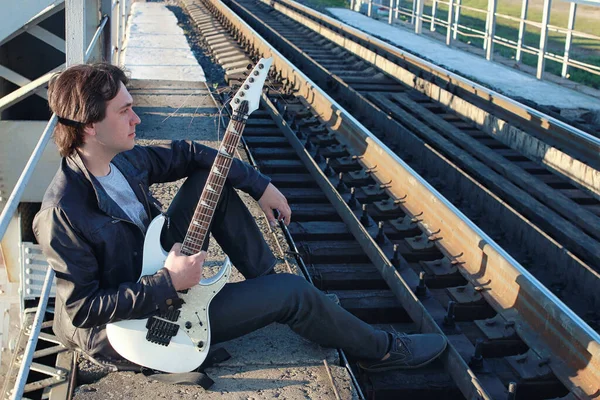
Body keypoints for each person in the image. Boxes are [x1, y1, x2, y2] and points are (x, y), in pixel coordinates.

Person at [33, 63, 447, 377]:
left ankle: (270, 287)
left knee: (210, 182)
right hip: (137, 329)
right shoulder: (62, 212)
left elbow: (193, 154)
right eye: (125, 111)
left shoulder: (124, 162)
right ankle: (382, 351)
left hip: (156, 269)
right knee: (292, 293)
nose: (137, 119)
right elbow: (83, 308)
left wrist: (260, 186)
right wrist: (168, 283)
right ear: (89, 126)